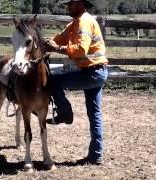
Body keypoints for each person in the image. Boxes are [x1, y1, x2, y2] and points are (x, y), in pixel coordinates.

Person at [44, 0, 108, 165]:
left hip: (91, 73)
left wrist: (57, 49)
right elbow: (60, 38)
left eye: (71, 4)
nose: (68, 7)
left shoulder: (84, 22)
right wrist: (47, 43)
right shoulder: (75, 24)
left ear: (80, 4)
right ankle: (96, 155)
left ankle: (65, 113)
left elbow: (80, 50)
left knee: (53, 82)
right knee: (95, 113)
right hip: (96, 72)